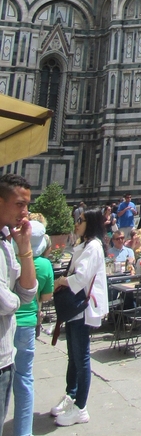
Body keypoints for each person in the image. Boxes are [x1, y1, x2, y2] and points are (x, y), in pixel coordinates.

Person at [51, 208, 109, 426]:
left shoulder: (93, 246)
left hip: (83, 307)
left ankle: (80, 407)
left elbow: (82, 276)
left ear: (90, 222)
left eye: (80, 220)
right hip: (77, 307)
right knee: (73, 357)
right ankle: (71, 395)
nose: (76, 223)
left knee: (82, 358)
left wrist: (61, 281)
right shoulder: (84, 245)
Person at [0, 173, 37, 432]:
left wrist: (24, 248)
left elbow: (27, 294)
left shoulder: (6, 243)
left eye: (27, 205)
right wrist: (11, 297)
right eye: (19, 204)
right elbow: (7, 303)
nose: (25, 211)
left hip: (5, 357)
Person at [12, 218, 53, 436]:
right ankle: (24, 432)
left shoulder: (9, 255)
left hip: (6, 322)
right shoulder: (45, 265)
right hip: (27, 323)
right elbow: (46, 296)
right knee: (24, 379)